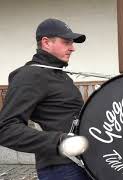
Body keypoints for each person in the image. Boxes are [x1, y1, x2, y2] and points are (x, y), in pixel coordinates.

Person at [0, 18, 91, 180]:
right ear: (46, 42)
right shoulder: (29, 75)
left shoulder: (58, 74)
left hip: (80, 163)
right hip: (60, 169)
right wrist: (60, 141)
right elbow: (5, 129)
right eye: (66, 42)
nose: (73, 48)